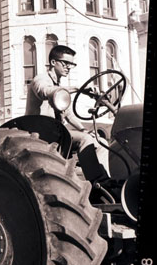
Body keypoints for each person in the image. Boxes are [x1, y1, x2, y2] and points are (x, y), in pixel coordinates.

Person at [25, 44, 120, 201]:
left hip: (57, 133)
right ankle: (97, 185)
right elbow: (45, 91)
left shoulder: (60, 87)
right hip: (39, 132)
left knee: (99, 140)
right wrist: (75, 88)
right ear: (53, 62)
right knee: (86, 140)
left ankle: (106, 183)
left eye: (71, 64)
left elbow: (68, 115)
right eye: (65, 63)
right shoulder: (41, 80)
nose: (69, 67)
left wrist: (84, 129)